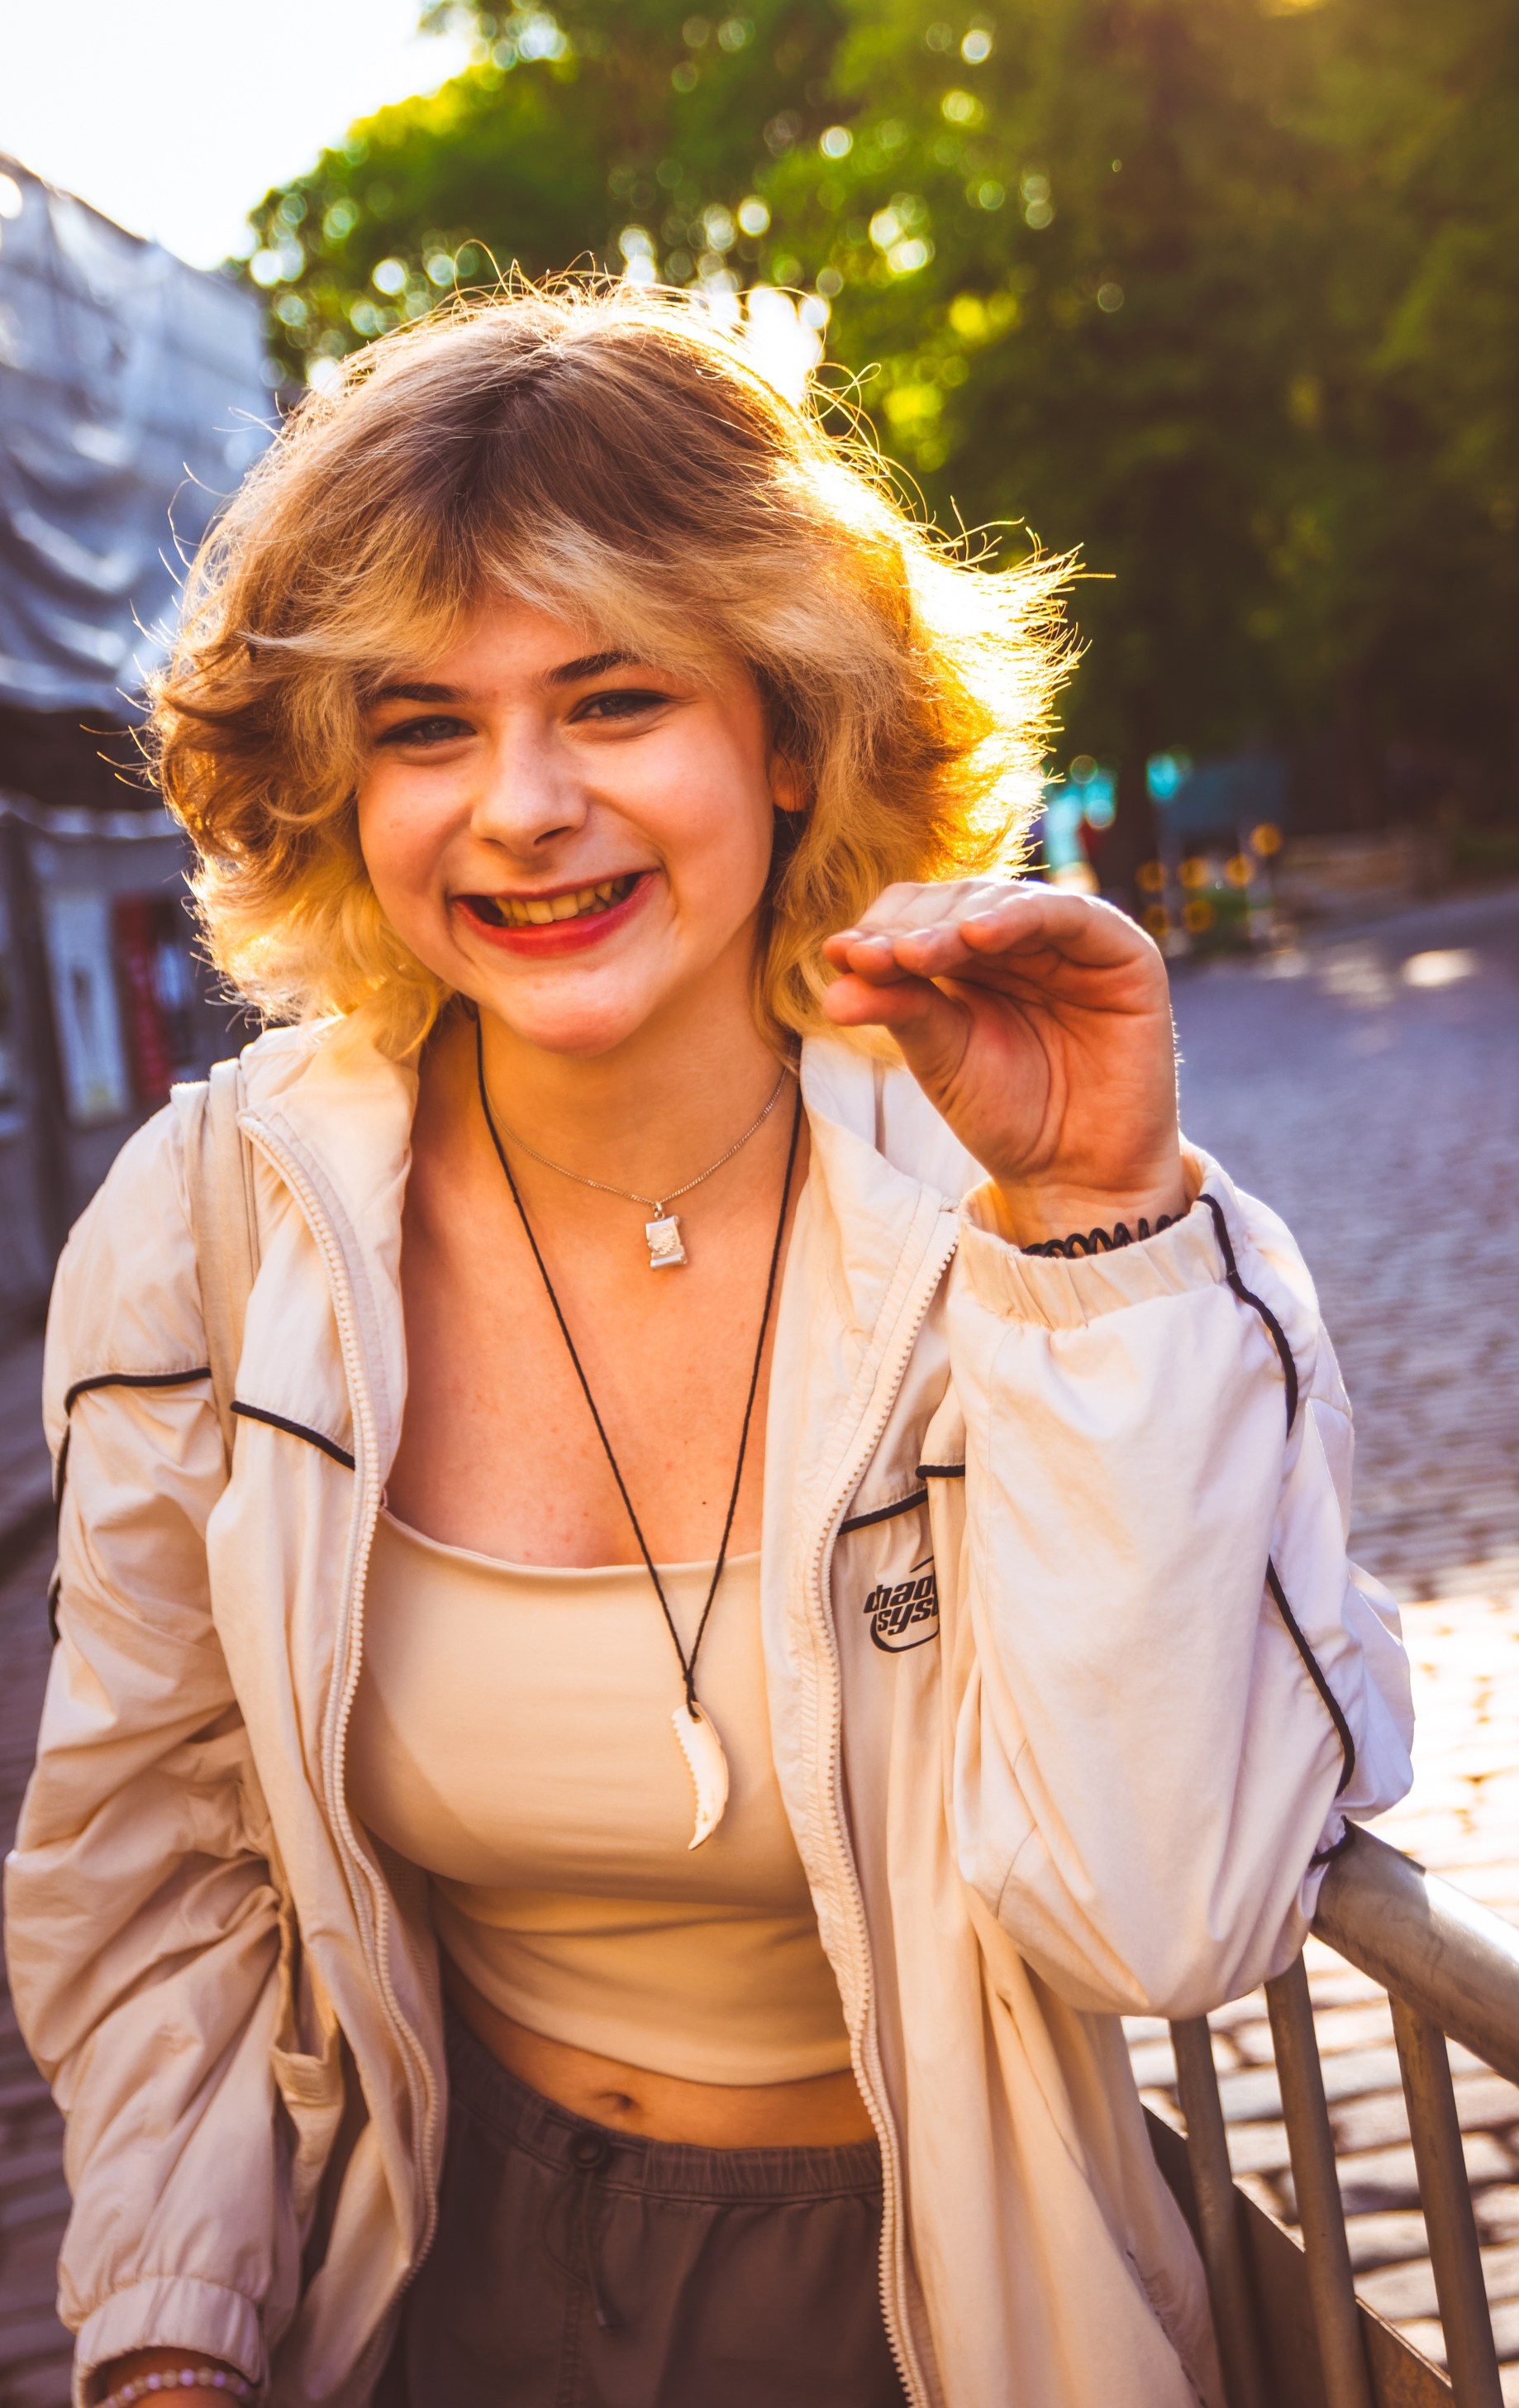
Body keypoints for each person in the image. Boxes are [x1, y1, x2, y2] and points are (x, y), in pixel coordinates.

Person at [5, 289, 1412, 2408]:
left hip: (952, 2297)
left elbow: (1169, 1915)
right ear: (336, 784)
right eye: (420, 726)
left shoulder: (1004, 1222)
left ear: (786, 724)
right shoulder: (218, 1234)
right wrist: (176, 2342)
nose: (521, 806)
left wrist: (1101, 1227)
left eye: (614, 697)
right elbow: (158, 1873)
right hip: (436, 2283)